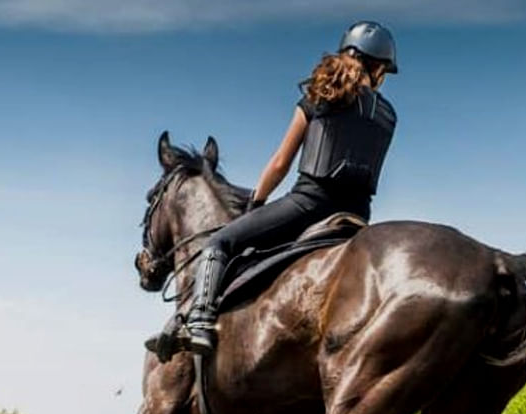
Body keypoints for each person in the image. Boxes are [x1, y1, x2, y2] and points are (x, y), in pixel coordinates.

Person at [145, 20, 399, 360]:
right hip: (357, 217)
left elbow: (280, 163)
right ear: (379, 68)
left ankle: (199, 321)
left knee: (220, 242)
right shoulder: (388, 115)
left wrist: (257, 202)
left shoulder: (319, 95)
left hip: (309, 205)